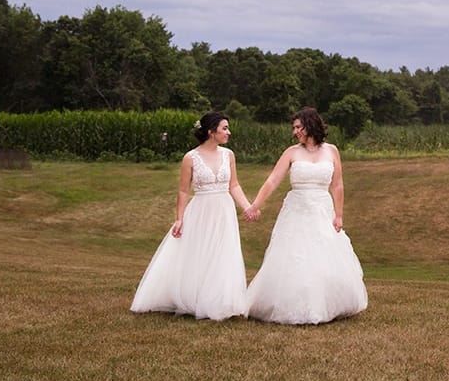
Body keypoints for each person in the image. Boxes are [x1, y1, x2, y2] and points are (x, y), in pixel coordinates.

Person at [243, 106, 368, 324]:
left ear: (311, 125)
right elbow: (273, 180)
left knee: (324, 254)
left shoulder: (332, 151)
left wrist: (339, 215)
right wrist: (255, 205)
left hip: (322, 208)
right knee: (294, 255)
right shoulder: (291, 153)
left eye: (298, 127)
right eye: (294, 128)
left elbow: (337, 185)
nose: (295, 132)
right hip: (296, 210)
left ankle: (329, 303)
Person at [130, 112, 254, 320]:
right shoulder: (191, 158)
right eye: (224, 128)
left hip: (224, 210)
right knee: (200, 252)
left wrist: (247, 207)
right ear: (210, 131)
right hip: (201, 210)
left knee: (223, 252)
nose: (228, 132)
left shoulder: (228, 155)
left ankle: (221, 299)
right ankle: (195, 297)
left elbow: (234, 185)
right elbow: (183, 191)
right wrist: (179, 218)